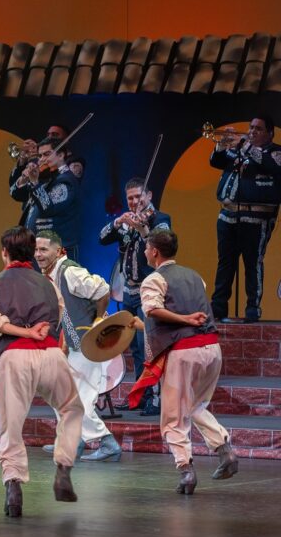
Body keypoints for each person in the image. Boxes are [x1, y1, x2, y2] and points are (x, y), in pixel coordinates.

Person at [0, 226, 83, 517]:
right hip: (50, 355)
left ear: (4, 253)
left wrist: (22, 332)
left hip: (15, 357)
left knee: (11, 425)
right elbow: (56, 316)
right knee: (72, 409)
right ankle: (63, 465)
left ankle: (13, 486)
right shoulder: (48, 283)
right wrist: (36, 332)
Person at [137, 229, 238, 495]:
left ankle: (186, 470)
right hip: (211, 348)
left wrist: (184, 320)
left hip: (185, 351)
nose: (145, 252)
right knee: (195, 406)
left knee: (173, 416)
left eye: (147, 248)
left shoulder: (153, 279)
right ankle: (224, 450)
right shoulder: (195, 276)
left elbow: (152, 309)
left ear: (154, 251)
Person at [35, 231, 119, 462]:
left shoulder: (69, 271)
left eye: (43, 249)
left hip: (89, 345)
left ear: (58, 250)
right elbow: (66, 313)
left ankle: (107, 443)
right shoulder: (51, 275)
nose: (38, 254)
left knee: (79, 399)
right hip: (74, 346)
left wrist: (98, 321)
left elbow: (102, 289)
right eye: (36, 249)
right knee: (57, 389)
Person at [99, 177, 172, 414]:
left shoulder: (160, 219)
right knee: (135, 348)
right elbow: (102, 238)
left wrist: (143, 229)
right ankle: (140, 395)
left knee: (148, 344)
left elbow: (161, 246)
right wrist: (118, 221)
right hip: (128, 291)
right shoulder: (127, 219)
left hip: (148, 290)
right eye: (129, 198)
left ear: (149, 196)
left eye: (138, 197)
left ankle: (154, 398)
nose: (133, 202)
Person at [208, 115, 280, 322]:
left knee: (252, 263)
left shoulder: (275, 152)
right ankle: (218, 309)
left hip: (257, 217)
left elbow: (271, 166)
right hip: (228, 215)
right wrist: (222, 145)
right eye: (251, 127)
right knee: (225, 264)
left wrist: (245, 145)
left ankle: (252, 310)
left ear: (270, 133)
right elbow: (216, 162)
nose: (252, 131)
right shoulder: (239, 149)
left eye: (258, 129)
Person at [15, 137, 82, 261]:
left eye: (46, 154)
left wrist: (35, 182)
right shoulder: (49, 178)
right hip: (40, 248)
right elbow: (16, 194)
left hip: (58, 251)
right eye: (40, 156)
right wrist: (24, 179)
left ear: (61, 155)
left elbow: (48, 208)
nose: (42, 160)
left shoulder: (66, 180)